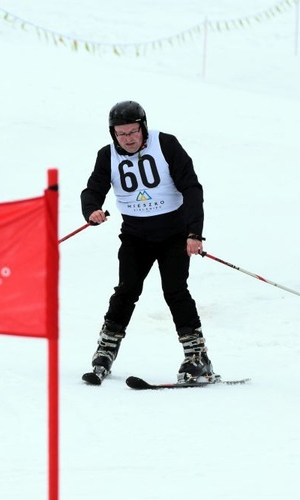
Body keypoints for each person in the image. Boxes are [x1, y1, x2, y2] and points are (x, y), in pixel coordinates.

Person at [80, 100, 218, 384]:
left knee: (175, 291)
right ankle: (105, 350)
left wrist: (194, 233)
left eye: (133, 132)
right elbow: (93, 188)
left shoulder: (165, 144)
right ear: (113, 134)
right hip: (136, 236)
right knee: (126, 290)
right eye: (121, 134)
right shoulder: (107, 156)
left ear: (142, 127)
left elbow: (192, 188)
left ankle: (197, 357)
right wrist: (92, 209)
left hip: (174, 234)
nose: (128, 139)